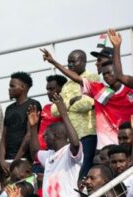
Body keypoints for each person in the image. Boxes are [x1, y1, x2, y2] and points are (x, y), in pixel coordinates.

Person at [43, 48, 133, 151]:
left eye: (109, 72)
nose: (106, 76)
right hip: (103, 148)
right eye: (104, 74)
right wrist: (53, 62)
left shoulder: (128, 90)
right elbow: (76, 80)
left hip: (124, 142)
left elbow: (86, 103)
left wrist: (117, 45)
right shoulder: (100, 91)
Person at [42, 49, 100, 178]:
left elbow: (87, 104)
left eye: (74, 61)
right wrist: (72, 101)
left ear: (84, 62)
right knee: (72, 175)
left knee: (84, 172)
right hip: (71, 138)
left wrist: (64, 105)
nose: (70, 65)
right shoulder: (67, 85)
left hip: (87, 134)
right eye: (68, 62)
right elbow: (55, 110)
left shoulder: (92, 77)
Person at [28, 92, 82, 197]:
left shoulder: (70, 152)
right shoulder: (49, 155)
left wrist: (63, 113)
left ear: (56, 135)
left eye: (46, 135)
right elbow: (35, 152)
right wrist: (33, 127)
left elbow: (75, 143)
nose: (43, 138)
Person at [0, 72, 42, 166]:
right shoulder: (9, 108)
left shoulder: (33, 105)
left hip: (24, 159)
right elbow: (3, 136)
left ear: (23, 87)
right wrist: (2, 159)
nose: (9, 89)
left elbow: (29, 134)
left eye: (12, 86)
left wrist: (16, 160)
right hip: (7, 160)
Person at [38, 75, 68, 153]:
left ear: (62, 89)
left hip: (56, 151)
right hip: (40, 152)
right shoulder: (46, 107)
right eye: (47, 89)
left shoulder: (67, 107)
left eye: (51, 89)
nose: (48, 92)